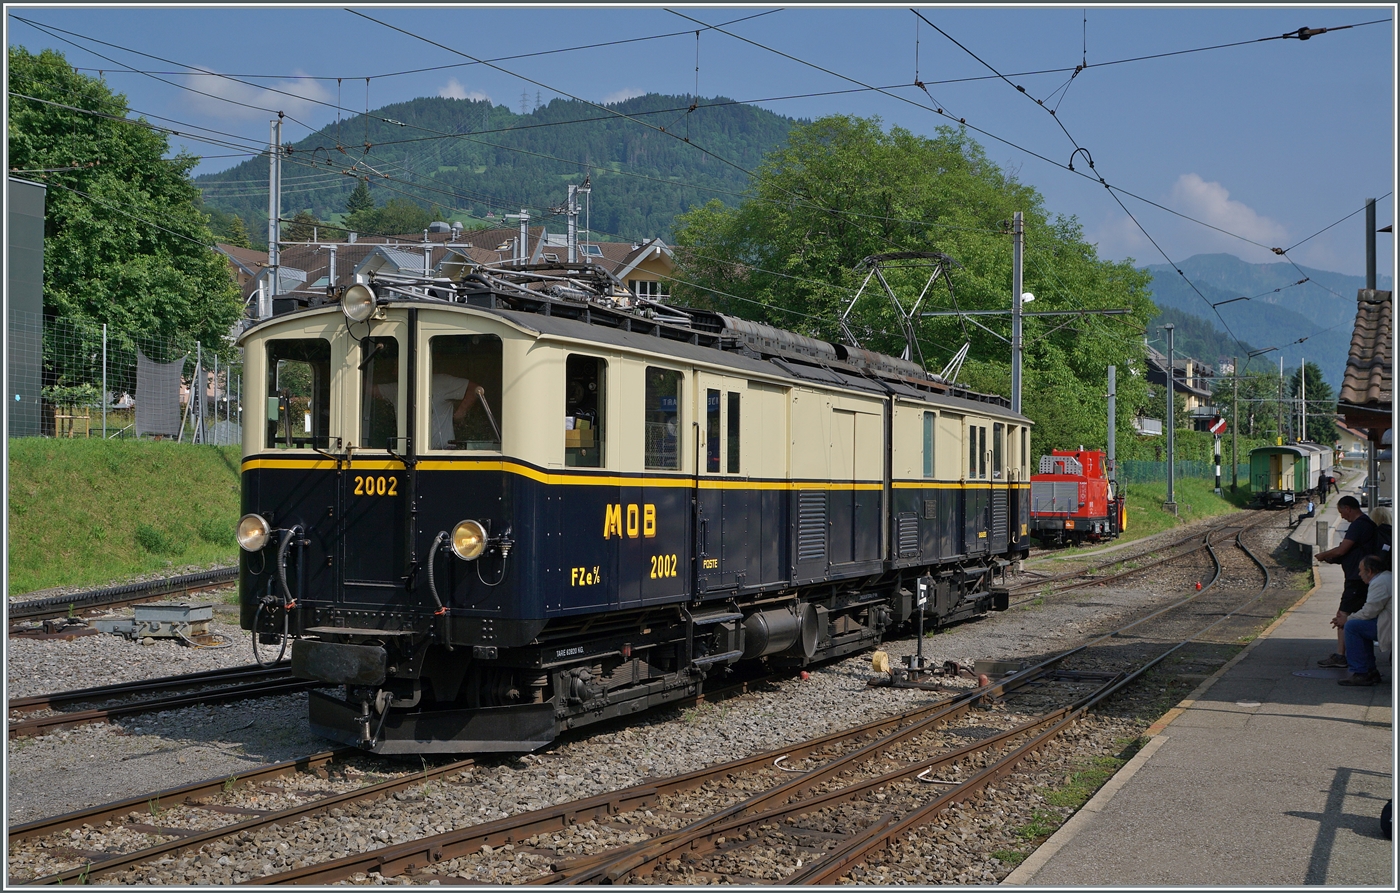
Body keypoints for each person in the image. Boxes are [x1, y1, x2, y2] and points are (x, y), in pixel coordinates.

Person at [1316, 495, 1379, 667]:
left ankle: (1341, 655)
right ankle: (1358, 657)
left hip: (1356, 580)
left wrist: (1324, 555)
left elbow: (1342, 549)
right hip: (1360, 577)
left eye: (1341, 512)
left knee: (1342, 615)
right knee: (1355, 618)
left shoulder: (1358, 525)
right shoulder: (1367, 525)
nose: (1342, 516)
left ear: (1348, 508)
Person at [1338, 554, 1391, 686]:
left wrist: (1347, 619)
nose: (1359, 574)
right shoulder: (1388, 577)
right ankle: (1370, 670)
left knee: (1352, 627)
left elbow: (1369, 612)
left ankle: (1361, 673)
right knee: (1359, 626)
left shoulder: (1380, 583)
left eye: (1361, 570)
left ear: (1370, 571)